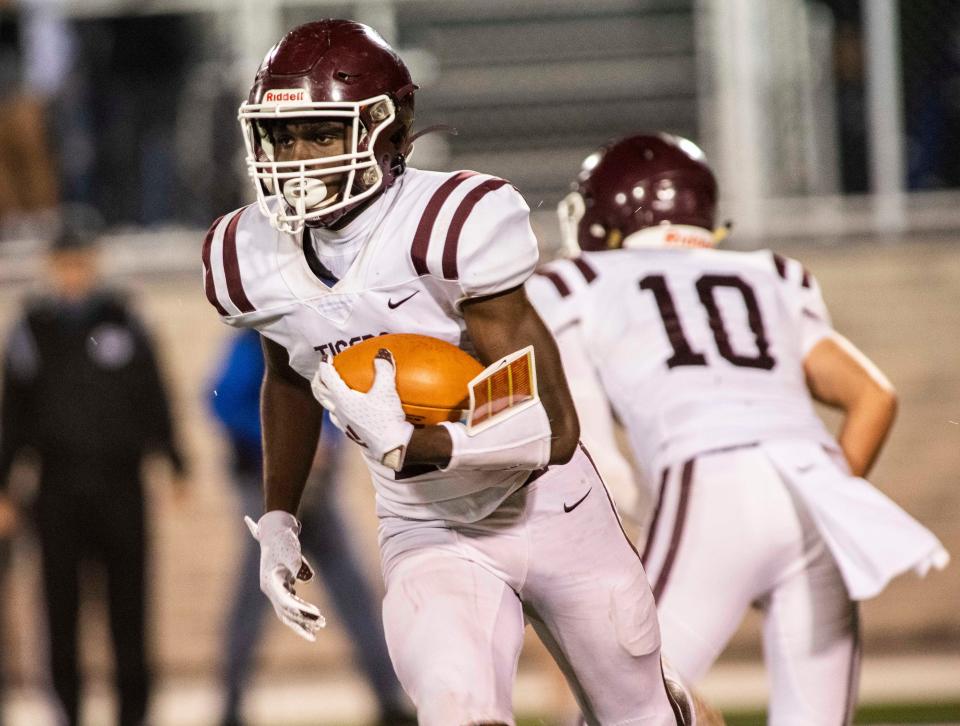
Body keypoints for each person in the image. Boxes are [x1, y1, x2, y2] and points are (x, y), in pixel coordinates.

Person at [202, 19, 688, 726]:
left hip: (551, 506)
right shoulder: (248, 255)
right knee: (458, 711)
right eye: (284, 136)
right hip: (427, 524)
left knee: (637, 715)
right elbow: (288, 372)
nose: (298, 156)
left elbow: (553, 425)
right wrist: (279, 517)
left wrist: (424, 446)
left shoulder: (452, 221)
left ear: (390, 134)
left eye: (321, 133)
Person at [525, 132, 950, 725]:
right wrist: (805, 514)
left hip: (710, 480)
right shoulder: (772, 273)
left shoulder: (574, 284)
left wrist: (712, 545)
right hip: (820, 488)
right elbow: (873, 397)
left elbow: (601, 466)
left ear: (608, 214)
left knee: (616, 712)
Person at [0, 216, 187, 726]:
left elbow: (154, 394)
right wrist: (5, 486)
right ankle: (68, 711)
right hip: (57, 489)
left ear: (95, 262)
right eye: (64, 263)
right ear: (50, 267)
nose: (73, 273)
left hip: (121, 486)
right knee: (60, 611)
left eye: (81, 261)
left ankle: (134, 712)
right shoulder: (33, 328)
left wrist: (174, 461)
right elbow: (13, 412)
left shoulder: (124, 319)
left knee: (129, 608)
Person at [208, 328, 414, 726]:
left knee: (354, 592)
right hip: (268, 490)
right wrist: (280, 442)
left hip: (317, 492)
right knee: (258, 593)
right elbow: (223, 402)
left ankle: (390, 698)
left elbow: (335, 401)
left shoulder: (319, 337)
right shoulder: (256, 340)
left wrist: (326, 441)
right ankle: (231, 705)